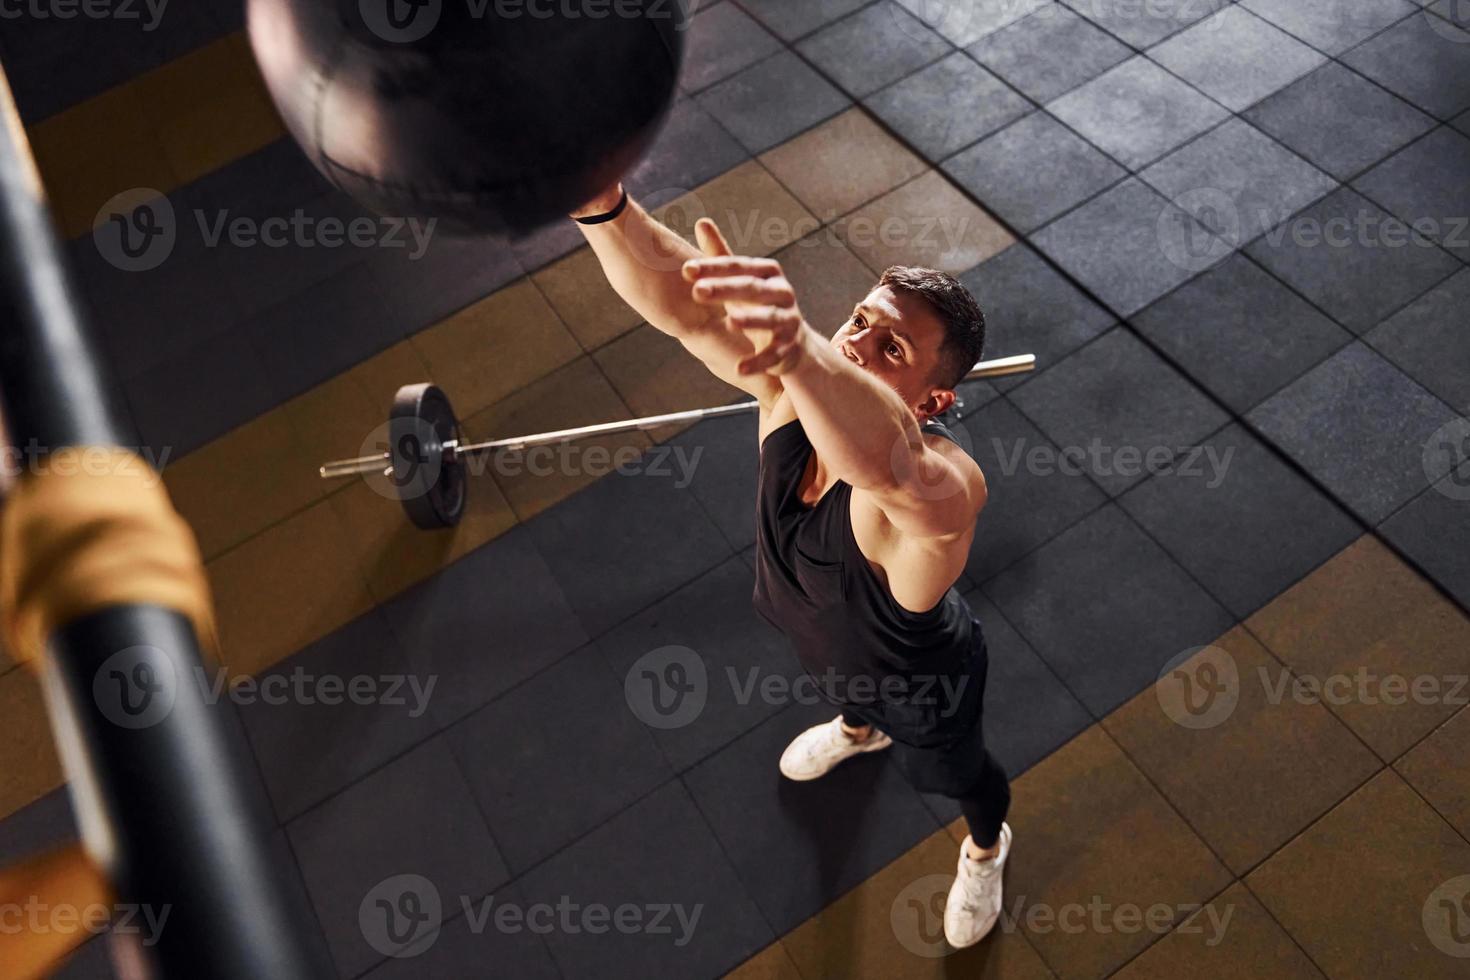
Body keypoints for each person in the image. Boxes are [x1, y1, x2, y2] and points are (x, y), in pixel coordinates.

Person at [571, 183, 1012, 948]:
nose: (858, 344)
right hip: (827, 642)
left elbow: (890, 467)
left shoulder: (941, 490)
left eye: (892, 350)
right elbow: (687, 304)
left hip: (924, 685)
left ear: (935, 402)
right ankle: (856, 726)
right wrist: (602, 209)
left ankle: (986, 847)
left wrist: (803, 349)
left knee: (957, 777)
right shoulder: (785, 390)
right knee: (841, 677)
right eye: (860, 323)